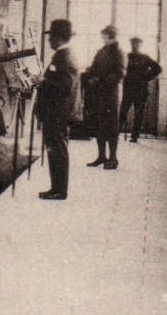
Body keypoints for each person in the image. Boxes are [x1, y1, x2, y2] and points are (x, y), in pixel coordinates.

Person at [35, 19, 79, 200]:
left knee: (58, 150)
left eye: (51, 37)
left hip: (57, 113)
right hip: (57, 112)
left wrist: (42, 81)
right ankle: (56, 188)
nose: (49, 41)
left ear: (58, 37)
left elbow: (65, 86)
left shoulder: (63, 57)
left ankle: (59, 190)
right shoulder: (65, 56)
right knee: (56, 149)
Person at [86, 24, 124, 169]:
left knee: (111, 127)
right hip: (99, 94)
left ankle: (113, 159)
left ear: (110, 36)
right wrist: (90, 75)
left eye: (105, 35)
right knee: (100, 125)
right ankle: (101, 156)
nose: (103, 37)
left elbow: (119, 74)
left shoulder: (119, 52)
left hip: (110, 95)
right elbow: (94, 67)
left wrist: (100, 80)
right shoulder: (102, 51)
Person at [120, 36, 163, 143]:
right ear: (131, 45)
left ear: (140, 45)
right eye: (133, 44)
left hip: (140, 89)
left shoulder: (145, 57)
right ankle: (116, 133)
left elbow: (158, 69)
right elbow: (120, 68)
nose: (135, 46)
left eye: (137, 44)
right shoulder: (126, 57)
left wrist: (145, 78)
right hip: (128, 88)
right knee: (123, 111)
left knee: (138, 114)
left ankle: (135, 136)